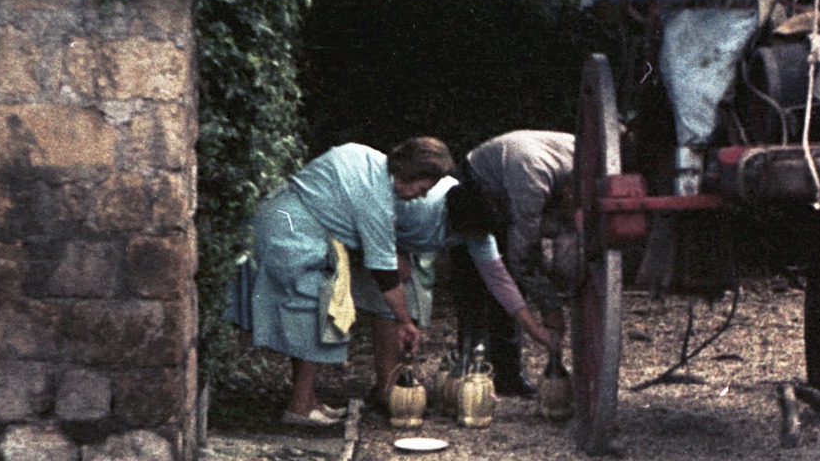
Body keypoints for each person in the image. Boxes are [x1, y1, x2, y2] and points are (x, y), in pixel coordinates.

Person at [226, 137, 453, 426]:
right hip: (290, 232)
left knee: (310, 313)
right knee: (311, 313)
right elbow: (384, 272)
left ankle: (308, 400)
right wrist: (405, 322)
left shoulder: (366, 155)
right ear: (410, 173)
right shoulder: (376, 197)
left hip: (283, 219)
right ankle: (299, 407)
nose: (421, 197)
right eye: (423, 189)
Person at [376, 175, 561, 407]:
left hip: (416, 248)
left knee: (413, 312)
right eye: (476, 235)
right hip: (380, 242)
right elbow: (375, 214)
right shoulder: (418, 204)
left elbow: (500, 282)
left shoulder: (479, 227)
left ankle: (400, 386)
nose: (480, 240)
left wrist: (534, 330)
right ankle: (386, 392)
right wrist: (394, 250)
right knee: (385, 309)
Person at [455, 130, 575, 395]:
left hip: (513, 178)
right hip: (476, 187)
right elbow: (525, 257)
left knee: (509, 278)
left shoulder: (592, 160)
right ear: (569, 187)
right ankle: (470, 376)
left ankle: (508, 376)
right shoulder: (533, 178)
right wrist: (549, 307)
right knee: (485, 282)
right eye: (573, 203)